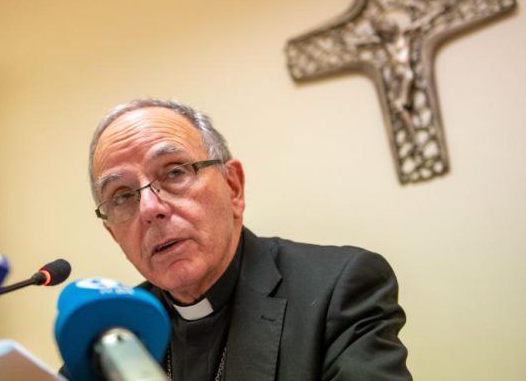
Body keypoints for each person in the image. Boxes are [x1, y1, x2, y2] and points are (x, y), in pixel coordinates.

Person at [87, 98, 412, 380]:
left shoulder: (338, 289)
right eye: (122, 196)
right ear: (114, 234)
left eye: (174, 172)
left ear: (233, 188)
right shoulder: (111, 333)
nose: (149, 208)